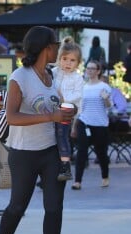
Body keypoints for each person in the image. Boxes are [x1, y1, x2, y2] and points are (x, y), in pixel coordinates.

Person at [0, 26, 77, 234]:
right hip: (23, 153)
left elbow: (58, 105)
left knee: (54, 208)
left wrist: (67, 111)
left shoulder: (51, 76)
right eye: (55, 45)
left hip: (51, 152)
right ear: (46, 47)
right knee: (17, 207)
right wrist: (50, 116)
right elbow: (13, 117)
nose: (58, 50)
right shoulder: (20, 76)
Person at [71, 61, 112, 190]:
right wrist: (74, 126)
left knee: (101, 154)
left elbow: (109, 106)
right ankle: (77, 181)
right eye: (88, 68)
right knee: (81, 152)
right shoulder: (82, 87)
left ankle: (105, 177)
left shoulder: (104, 87)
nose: (89, 71)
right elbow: (79, 109)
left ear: (98, 71)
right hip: (84, 122)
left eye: (92, 68)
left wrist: (105, 98)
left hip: (100, 124)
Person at [52, 36, 84, 181]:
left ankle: (65, 165)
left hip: (66, 112)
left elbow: (78, 95)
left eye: (72, 60)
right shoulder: (53, 72)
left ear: (78, 63)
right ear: (59, 58)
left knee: (61, 135)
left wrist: (64, 98)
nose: (68, 63)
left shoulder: (77, 78)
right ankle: (52, 165)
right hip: (51, 111)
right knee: (50, 138)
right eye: (65, 59)